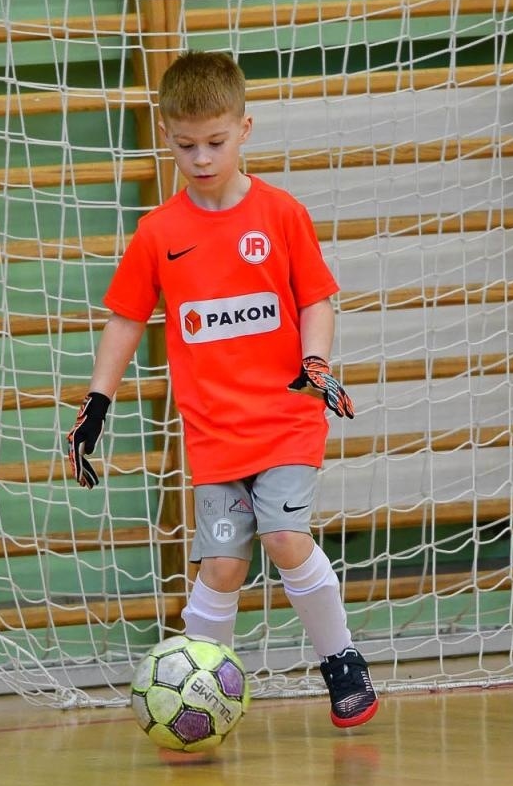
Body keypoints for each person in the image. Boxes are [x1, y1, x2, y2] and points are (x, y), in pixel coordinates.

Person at [66, 50, 379, 729]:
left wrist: (316, 363)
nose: (202, 157)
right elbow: (125, 320)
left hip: (286, 418)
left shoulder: (280, 214)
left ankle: (341, 659)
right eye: (186, 146)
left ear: (245, 129)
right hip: (213, 433)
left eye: (215, 141)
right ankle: (200, 695)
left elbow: (317, 301)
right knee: (222, 569)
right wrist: (97, 404)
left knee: (285, 536)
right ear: (167, 137)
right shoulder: (159, 233)